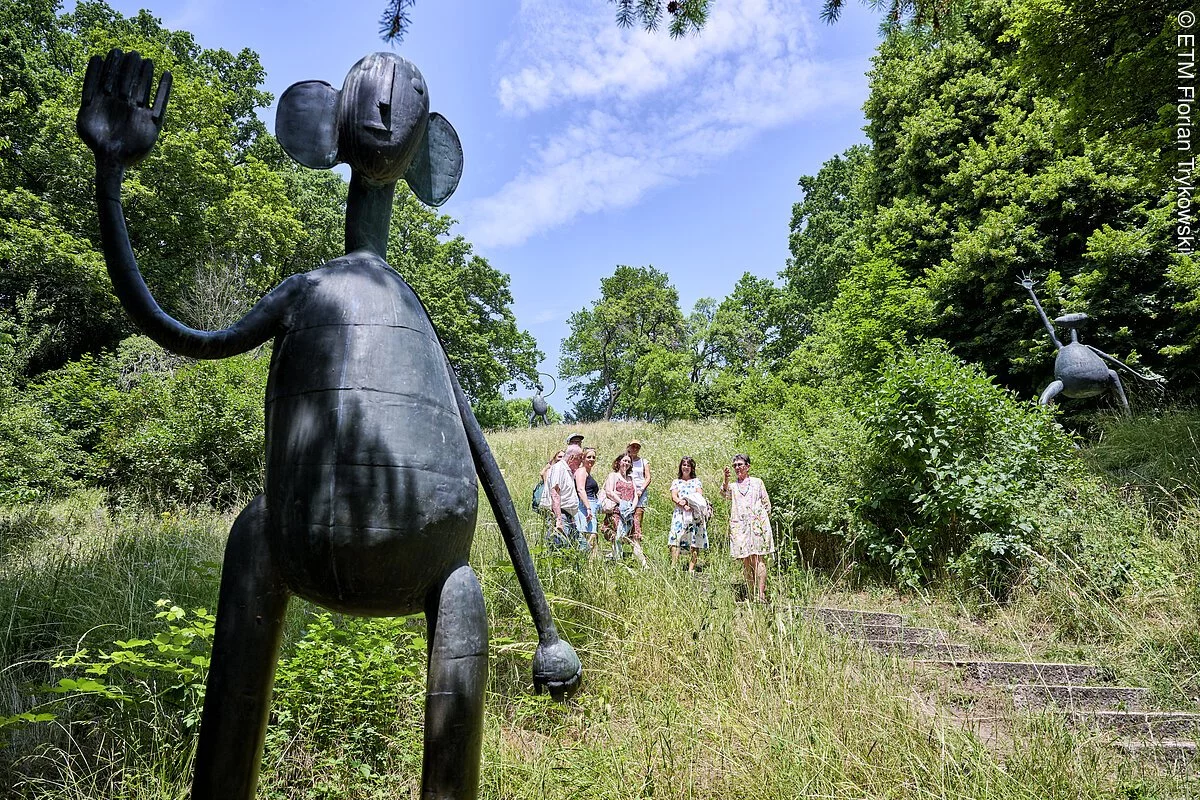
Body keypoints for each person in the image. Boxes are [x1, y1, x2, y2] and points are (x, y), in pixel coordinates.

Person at [721, 454, 774, 603]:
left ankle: (761, 594)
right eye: (735, 465)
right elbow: (724, 494)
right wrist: (725, 479)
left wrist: (761, 521)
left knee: (758, 558)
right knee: (745, 560)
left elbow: (766, 503)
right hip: (739, 526)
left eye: (740, 464)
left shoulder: (757, 483)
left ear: (748, 466)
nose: (737, 467)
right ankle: (751, 594)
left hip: (757, 524)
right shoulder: (733, 486)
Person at [601, 453, 647, 567]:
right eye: (624, 461)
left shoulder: (631, 479)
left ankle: (644, 564)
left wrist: (632, 506)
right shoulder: (613, 475)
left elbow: (636, 494)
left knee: (635, 538)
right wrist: (622, 503)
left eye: (628, 461)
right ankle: (619, 563)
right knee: (617, 537)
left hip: (630, 512)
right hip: (617, 511)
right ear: (619, 462)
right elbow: (609, 491)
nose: (626, 463)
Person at [668, 456, 709, 574]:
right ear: (681, 466)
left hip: (694, 512)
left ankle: (691, 568)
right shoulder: (676, 482)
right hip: (680, 513)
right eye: (684, 465)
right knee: (675, 538)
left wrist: (688, 503)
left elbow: (699, 496)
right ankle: (673, 566)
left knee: (694, 539)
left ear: (692, 468)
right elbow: (674, 496)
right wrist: (681, 503)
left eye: (688, 465)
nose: (686, 467)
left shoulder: (696, 481)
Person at [547, 445, 589, 551]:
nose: (581, 462)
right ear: (571, 458)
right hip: (561, 515)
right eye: (580, 458)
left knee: (583, 547)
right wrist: (558, 519)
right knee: (560, 548)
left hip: (569, 516)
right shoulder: (559, 469)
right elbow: (555, 493)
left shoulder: (567, 471)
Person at [575, 447, 601, 557]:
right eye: (588, 457)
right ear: (583, 458)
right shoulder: (581, 471)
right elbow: (580, 489)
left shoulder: (587, 473)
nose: (591, 459)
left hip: (590, 505)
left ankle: (591, 566)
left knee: (592, 536)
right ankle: (585, 562)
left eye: (593, 457)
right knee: (587, 536)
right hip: (584, 506)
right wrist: (588, 508)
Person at [627, 440, 651, 543]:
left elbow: (648, 477)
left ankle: (636, 543)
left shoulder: (643, 462)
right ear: (629, 447)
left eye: (637, 447)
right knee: (626, 516)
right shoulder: (625, 460)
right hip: (628, 490)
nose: (635, 449)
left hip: (640, 491)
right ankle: (624, 541)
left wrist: (641, 489)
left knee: (638, 516)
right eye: (633, 447)